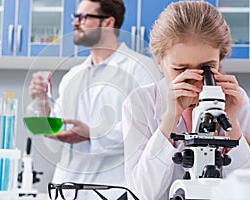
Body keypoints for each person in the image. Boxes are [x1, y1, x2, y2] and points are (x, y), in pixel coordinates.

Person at [28, 0, 161, 198]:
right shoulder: (73, 75)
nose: (74, 23)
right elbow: (54, 143)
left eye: (83, 17)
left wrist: (92, 133)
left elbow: (149, 131)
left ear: (107, 23)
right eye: (76, 17)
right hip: (66, 188)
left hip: (113, 190)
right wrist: (43, 103)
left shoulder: (141, 69)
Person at [122, 1, 250, 200]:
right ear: (160, 61)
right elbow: (144, 192)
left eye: (207, 68)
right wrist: (170, 119)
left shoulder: (237, 101)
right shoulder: (140, 102)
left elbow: (243, 188)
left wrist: (232, 124)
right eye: (180, 69)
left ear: (221, 59)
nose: (194, 80)